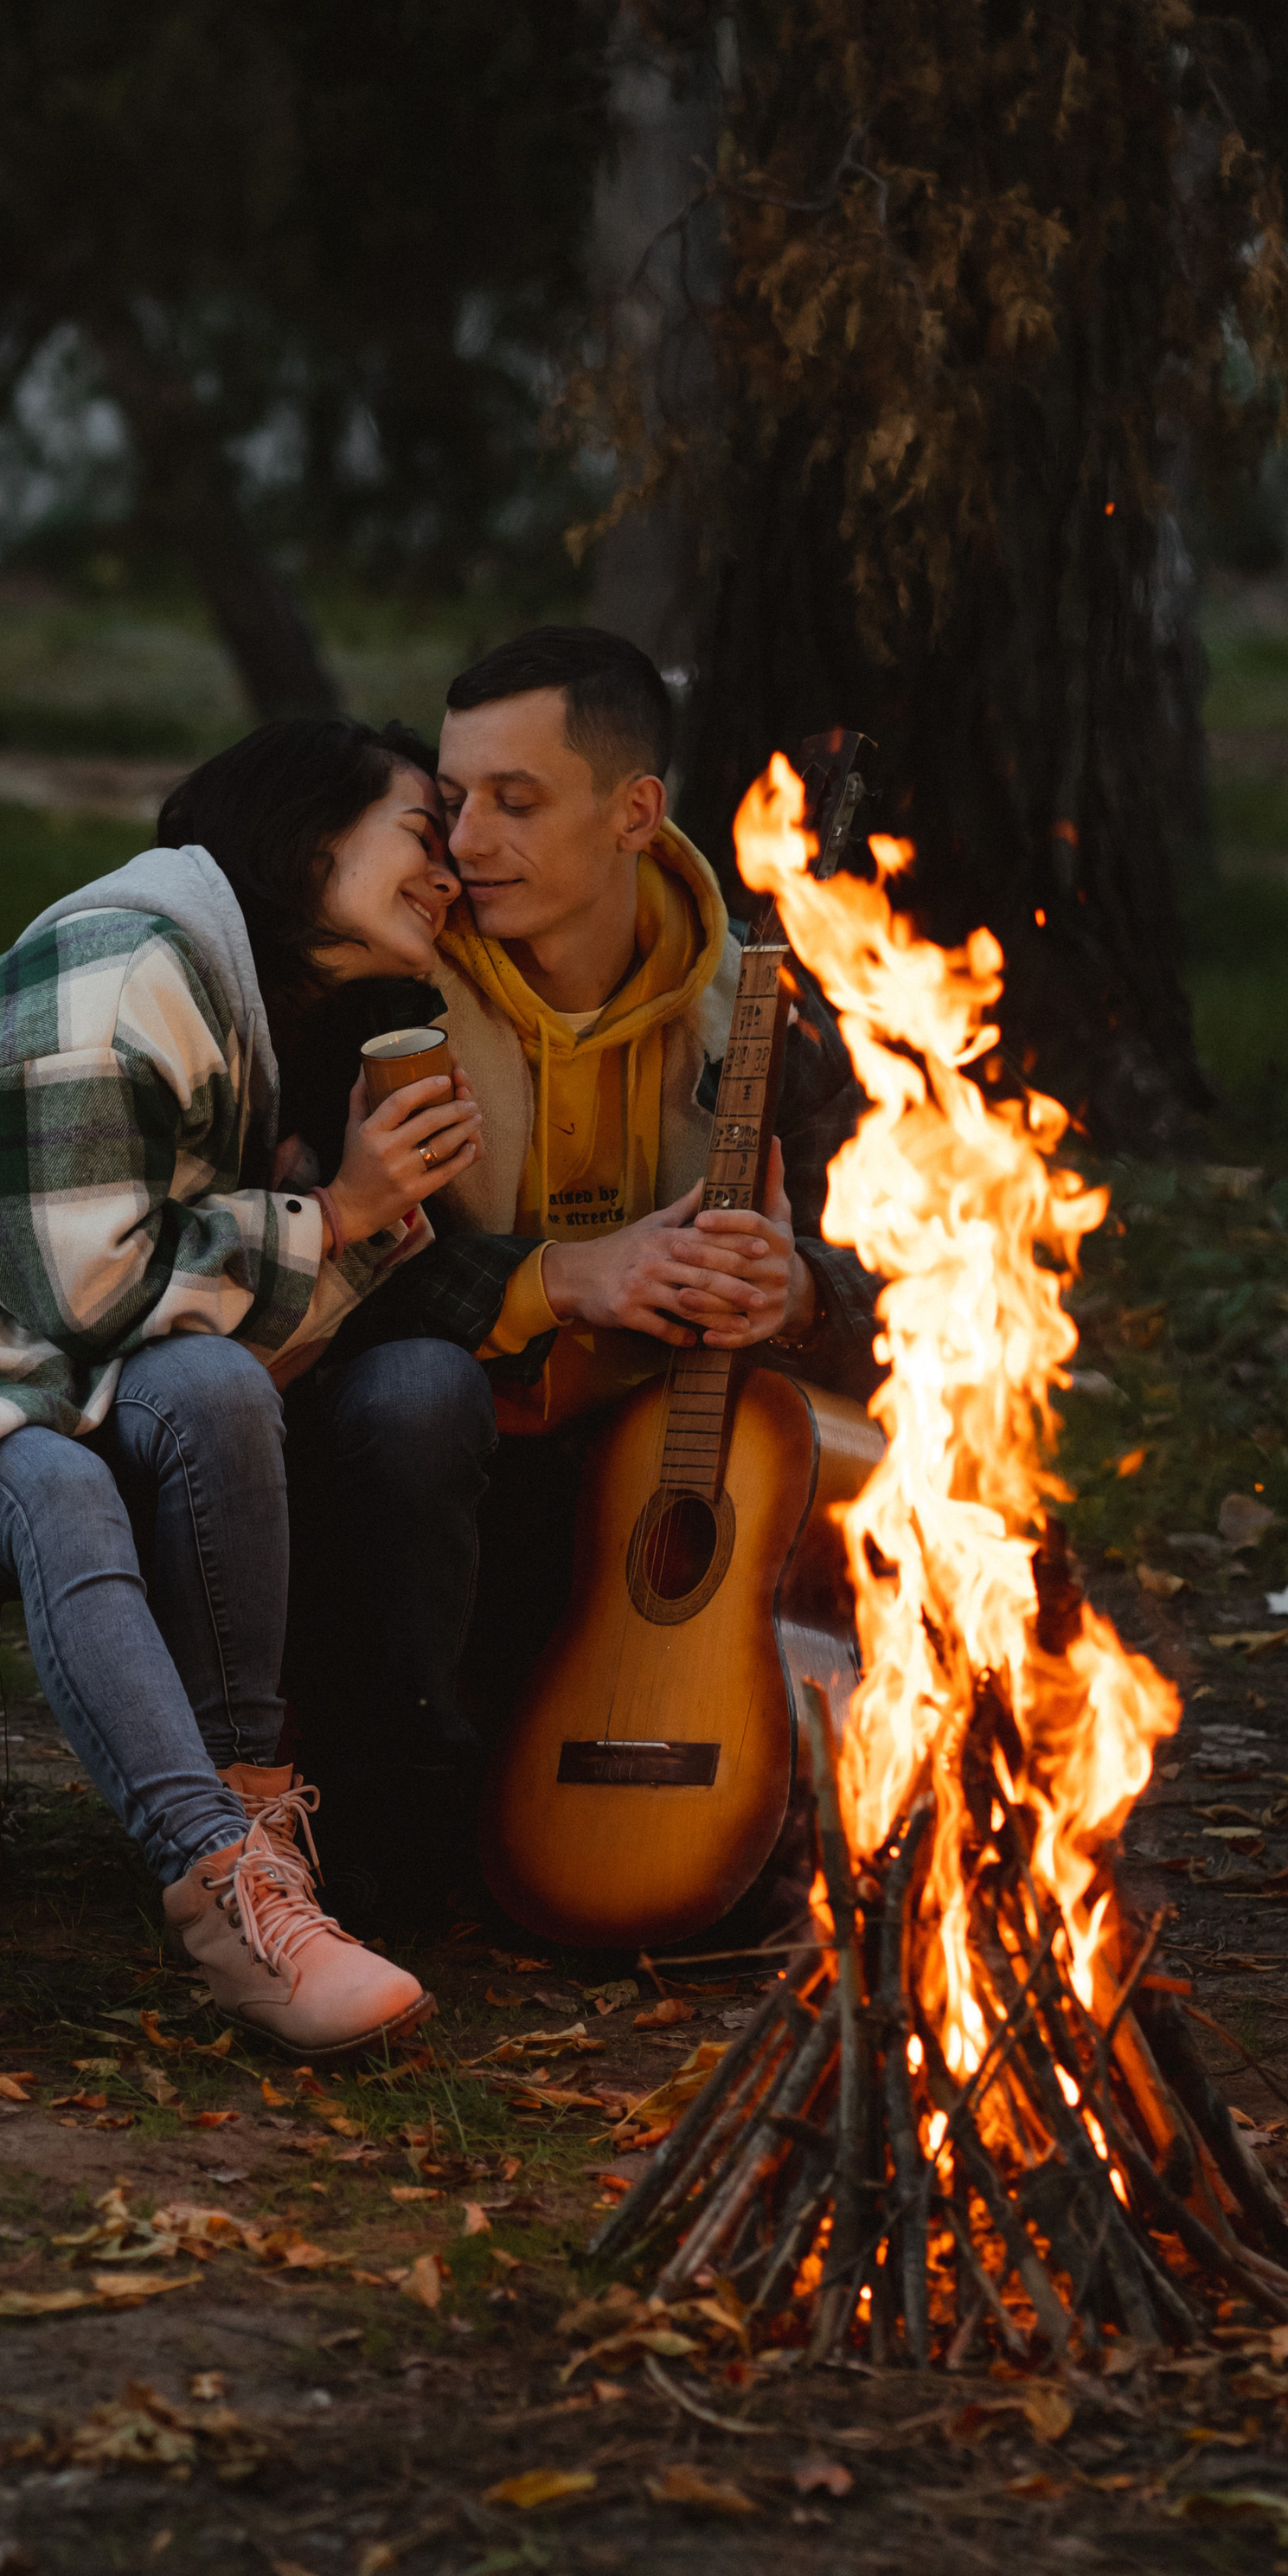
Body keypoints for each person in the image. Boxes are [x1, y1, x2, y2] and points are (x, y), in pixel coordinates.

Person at [0, 716, 484, 2059]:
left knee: (206, 1389)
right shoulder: (114, 965)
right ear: (310, 835)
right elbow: (87, 1295)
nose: (452, 874)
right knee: (51, 1476)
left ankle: (257, 1833)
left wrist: (373, 1219)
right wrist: (342, 1214)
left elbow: (191, 1338)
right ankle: (223, 1895)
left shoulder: (257, 1014)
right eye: (425, 832)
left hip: (24, 1392)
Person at [282, 626, 879, 1929]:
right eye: (452, 803)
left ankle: (796, 1803)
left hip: (658, 1532)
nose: (470, 841)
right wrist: (569, 1277)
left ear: (635, 813)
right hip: (444, 1508)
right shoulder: (392, 1004)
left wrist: (798, 1292)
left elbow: (903, 1285)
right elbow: (335, 1285)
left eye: (518, 800)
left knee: (854, 1463)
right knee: (408, 1397)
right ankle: (393, 1827)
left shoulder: (764, 1016)